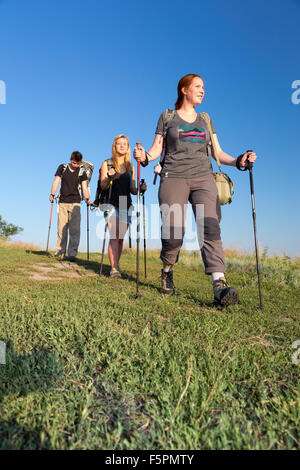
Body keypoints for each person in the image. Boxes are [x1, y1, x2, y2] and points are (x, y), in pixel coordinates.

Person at [134, 73, 257, 307]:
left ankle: (219, 284)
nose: (202, 91)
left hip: (203, 178)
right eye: (198, 87)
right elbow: (155, 150)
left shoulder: (206, 119)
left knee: (209, 226)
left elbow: (218, 153)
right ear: (184, 90)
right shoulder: (167, 116)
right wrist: (144, 157)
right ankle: (167, 269)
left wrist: (239, 160)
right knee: (173, 232)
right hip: (173, 177)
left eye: (203, 87)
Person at [99, 134, 147, 278]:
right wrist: (109, 176)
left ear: (128, 148)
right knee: (114, 235)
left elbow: (132, 189)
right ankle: (113, 268)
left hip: (126, 203)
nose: (122, 146)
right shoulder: (107, 163)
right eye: (119, 143)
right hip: (110, 202)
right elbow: (103, 185)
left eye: (124, 144)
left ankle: (116, 265)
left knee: (120, 238)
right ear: (115, 146)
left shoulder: (130, 166)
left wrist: (140, 189)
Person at [50, 151, 91, 261]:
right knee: (61, 229)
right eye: (73, 162)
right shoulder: (62, 168)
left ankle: (72, 254)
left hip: (75, 203)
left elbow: (84, 187)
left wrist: (87, 199)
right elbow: (56, 181)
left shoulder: (82, 172)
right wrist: (52, 194)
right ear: (70, 159)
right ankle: (60, 252)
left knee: (75, 229)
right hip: (62, 201)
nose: (75, 165)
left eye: (77, 163)